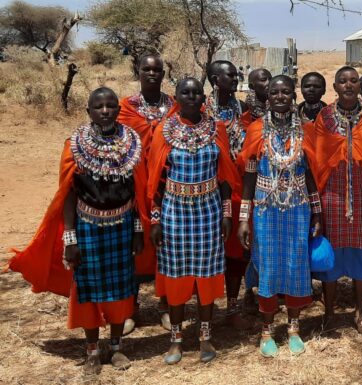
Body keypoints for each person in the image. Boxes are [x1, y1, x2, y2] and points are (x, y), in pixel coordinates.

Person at [10, 87, 150, 374]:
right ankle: (92, 352)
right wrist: (70, 238)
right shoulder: (74, 145)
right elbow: (68, 194)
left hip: (123, 225)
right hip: (87, 227)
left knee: (121, 289)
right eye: (99, 107)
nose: (106, 111)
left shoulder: (132, 142)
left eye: (111, 105)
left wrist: (137, 229)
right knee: (87, 290)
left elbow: (136, 191)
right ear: (88, 111)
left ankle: (116, 347)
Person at [147, 77, 239, 364]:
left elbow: (225, 176)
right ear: (176, 96)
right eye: (185, 92)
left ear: (203, 96)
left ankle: (205, 337)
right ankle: (175, 340)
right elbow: (155, 181)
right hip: (174, 213)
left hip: (209, 213)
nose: (191, 96)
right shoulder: (164, 130)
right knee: (176, 278)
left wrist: (226, 213)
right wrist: (155, 220)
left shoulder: (217, 129)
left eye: (196, 92)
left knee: (207, 278)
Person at [238, 75, 320, 357]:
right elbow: (249, 174)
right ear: (267, 96)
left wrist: (317, 212)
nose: (281, 96)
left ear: (293, 95)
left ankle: (294, 327)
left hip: (298, 207)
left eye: (286, 91)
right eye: (275, 92)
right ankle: (266, 331)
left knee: (296, 264)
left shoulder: (306, 130)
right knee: (270, 267)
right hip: (265, 208)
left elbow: (310, 173)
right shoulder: (256, 129)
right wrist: (243, 218)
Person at [310, 66, 362, 336]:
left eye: (354, 81)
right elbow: (318, 157)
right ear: (335, 86)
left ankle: (360, 313)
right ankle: (329, 313)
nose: (349, 85)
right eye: (343, 81)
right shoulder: (325, 118)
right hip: (332, 192)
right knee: (332, 250)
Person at [117, 53, 175, 333]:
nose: (152, 73)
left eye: (157, 70)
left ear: (163, 74)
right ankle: (131, 308)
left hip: (168, 186)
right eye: (146, 69)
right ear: (137, 71)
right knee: (134, 246)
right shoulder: (125, 108)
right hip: (134, 186)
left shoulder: (175, 107)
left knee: (165, 243)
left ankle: (165, 304)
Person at [207, 60, 253, 330]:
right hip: (206, 189)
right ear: (215, 79)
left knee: (236, 251)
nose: (236, 79)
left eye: (236, 75)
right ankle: (206, 308)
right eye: (230, 75)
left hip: (237, 189)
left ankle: (232, 306)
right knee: (209, 251)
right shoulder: (201, 109)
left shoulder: (243, 109)